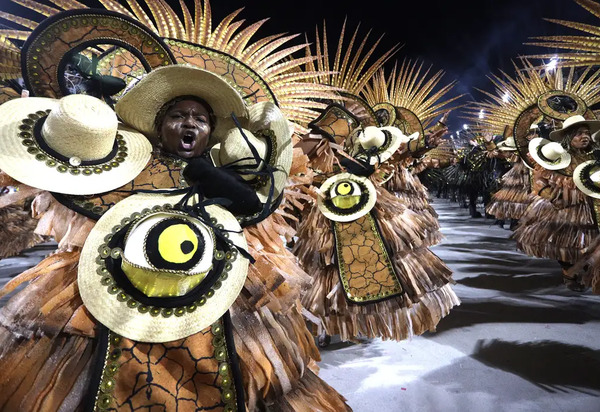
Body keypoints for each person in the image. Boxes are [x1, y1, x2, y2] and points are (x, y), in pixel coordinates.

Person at [513, 115, 600, 290]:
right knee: (567, 242)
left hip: (590, 206)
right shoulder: (557, 157)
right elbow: (539, 182)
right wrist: (553, 198)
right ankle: (569, 273)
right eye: (579, 134)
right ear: (569, 138)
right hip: (563, 207)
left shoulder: (593, 156)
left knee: (589, 242)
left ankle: (582, 271)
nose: (584, 137)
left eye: (586, 133)